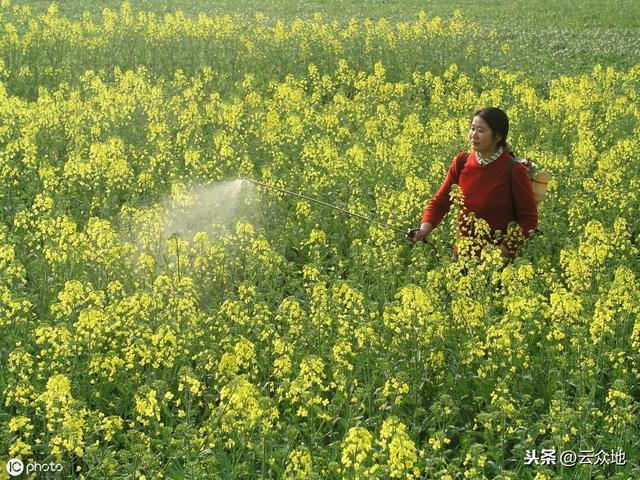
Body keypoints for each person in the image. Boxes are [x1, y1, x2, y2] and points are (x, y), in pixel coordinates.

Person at [410, 107, 538, 260]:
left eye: (481, 131)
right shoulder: (462, 161)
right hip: (462, 255)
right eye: (472, 129)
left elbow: (528, 219)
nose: (473, 135)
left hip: (497, 261)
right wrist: (424, 228)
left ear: (497, 137)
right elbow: (440, 202)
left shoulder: (514, 170)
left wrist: (503, 250)